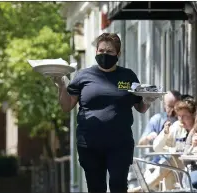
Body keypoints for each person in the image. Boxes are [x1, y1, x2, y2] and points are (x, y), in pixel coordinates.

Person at [54, 33, 158, 193]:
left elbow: (140, 107)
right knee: (96, 188)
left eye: (109, 52)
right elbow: (66, 106)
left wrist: (148, 100)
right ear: (96, 51)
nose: (104, 54)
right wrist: (61, 86)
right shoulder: (83, 76)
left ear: (118, 54)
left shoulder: (128, 76)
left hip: (120, 144)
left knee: (118, 185)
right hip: (89, 143)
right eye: (101, 50)